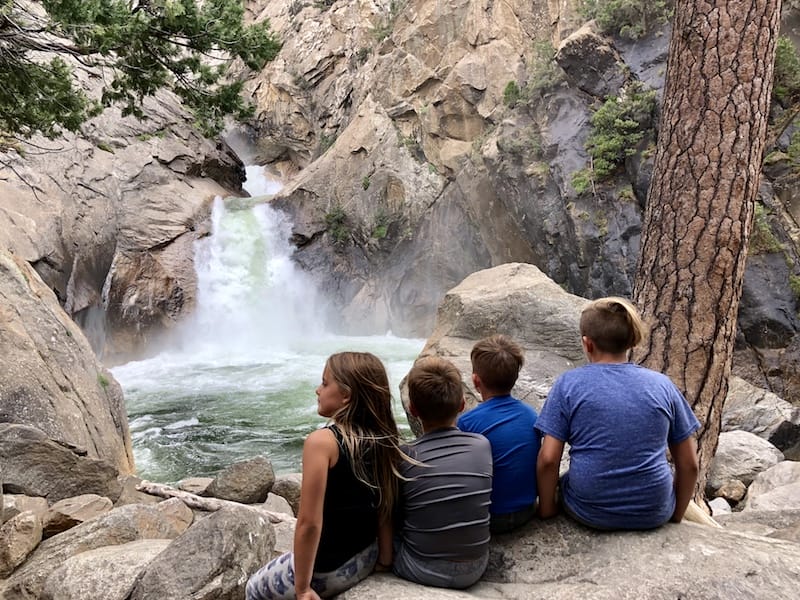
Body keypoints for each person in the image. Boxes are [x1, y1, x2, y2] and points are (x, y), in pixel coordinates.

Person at [246, 352, 405, 600]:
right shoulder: (384, 439)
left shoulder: (322, 442)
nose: (317, 390)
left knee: (253, 588)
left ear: (346, 395)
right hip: (366, 557)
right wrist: (385, 558)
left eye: (324, 382)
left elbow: (309, 523)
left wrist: (302, 588)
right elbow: (385, 507)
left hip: (329, 569)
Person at [535, 296, 701, 530]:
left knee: (565, 481)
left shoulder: (568, 384)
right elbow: (690, 464)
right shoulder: (662, 385)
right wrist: (675, 516)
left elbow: (549, 459)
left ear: (587, 344)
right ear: (630, 342)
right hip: (653, 511)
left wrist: (547, 511)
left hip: (588, 511)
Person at [392, 356, 493, 589]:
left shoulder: (404, 455)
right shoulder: (482, 445)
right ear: (462, 405)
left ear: (412, 409)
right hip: (475, 566)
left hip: (420, 568)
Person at [457, 334, 539, 533]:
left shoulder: (466, 423)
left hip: (487, 519)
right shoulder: (531, 416)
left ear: (476, 381)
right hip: (526, 511)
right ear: (515, 377)